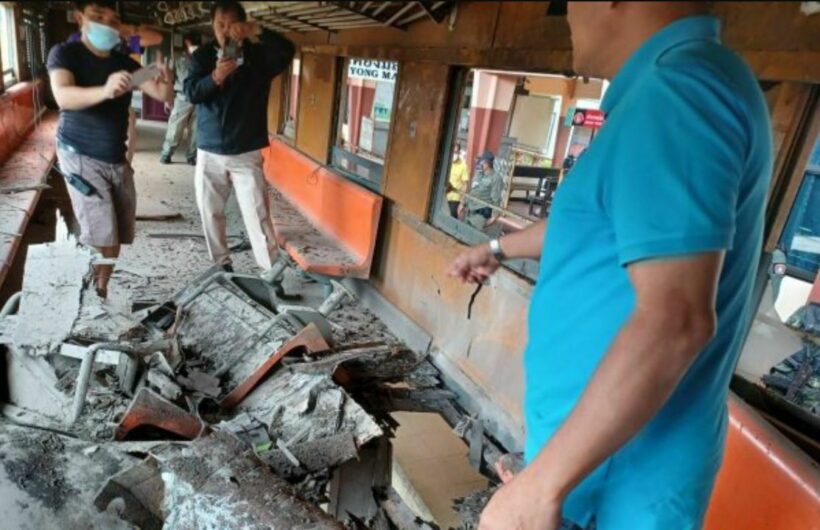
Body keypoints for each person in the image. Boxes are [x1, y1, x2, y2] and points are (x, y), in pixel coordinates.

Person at [449, 3, 771, 530]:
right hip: (599, 472)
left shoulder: (678, 95)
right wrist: (499, 249)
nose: (568, 14)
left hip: (617, 485)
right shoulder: (666, 90)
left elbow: (675, 321)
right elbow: (596, 227)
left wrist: (540, 488)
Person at [48, 0, 174, 299]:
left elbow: (161, 93)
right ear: (81, 19)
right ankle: (85, 291)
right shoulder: (65, 53)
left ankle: (101, 287)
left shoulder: (126, 63)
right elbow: (63, 96)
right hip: (79, 155)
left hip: (114, 157)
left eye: (113, 19)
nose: (107, 23)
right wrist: (104, 90)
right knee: (100, 232)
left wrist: (167, 82)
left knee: (117, 231)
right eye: (97, 16)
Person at [185, 1, 294, 289]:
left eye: (233, 24)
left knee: (258, 214)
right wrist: (216, 77)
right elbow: (191, 92)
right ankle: (221, 264)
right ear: (212, 26)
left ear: (242, 26)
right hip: (209, 149)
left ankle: (271, 273)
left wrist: (257, 30)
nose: (226, 30)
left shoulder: (259, 57)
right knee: (210, 211)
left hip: (246, 150)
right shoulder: (202, 58)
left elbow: (287, 51)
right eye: (220, 24)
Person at [160, 32, 201, 165]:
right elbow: (169, 79)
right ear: (185, 43)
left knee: (196, 129)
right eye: (190, 43)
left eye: (195, 43)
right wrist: (167, 98)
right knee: (175, 127)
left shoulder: (202, 57)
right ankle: (166, 153)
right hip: (182, 98)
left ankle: (191, 155)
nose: (193, 45)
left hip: (199, 98)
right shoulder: (177, 58)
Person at [462, 151, 503, 230]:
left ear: (488, 163)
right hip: (469, 211)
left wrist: (494, 217)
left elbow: (496, 199)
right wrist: (463, 203)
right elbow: (472, 191)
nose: (480, 163)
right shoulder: (479, 174)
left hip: (480, 215)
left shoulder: (496, 178)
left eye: (482, 162)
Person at [447, 143, 469, 218]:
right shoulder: (446, 162)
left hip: (455, 199)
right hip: (443, 196)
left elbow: (465, 185)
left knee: (451, 218)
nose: (454, 154)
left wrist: (462, 202)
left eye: (456, 152)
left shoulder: (463, 165)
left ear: (459, 152)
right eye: (453, 152)